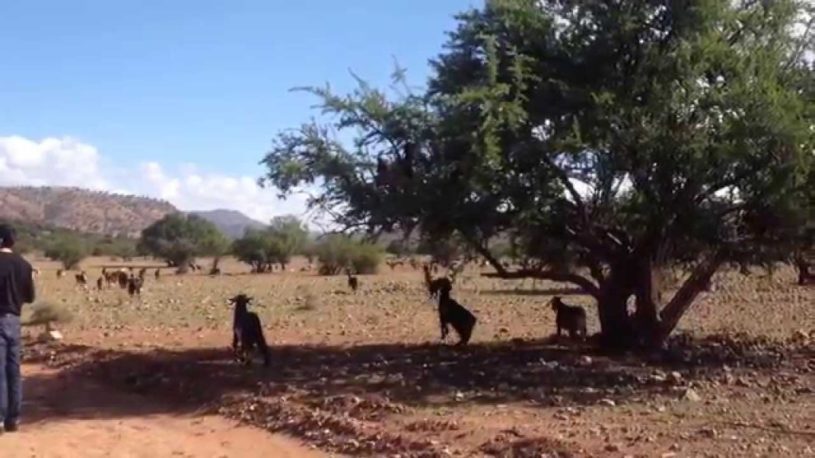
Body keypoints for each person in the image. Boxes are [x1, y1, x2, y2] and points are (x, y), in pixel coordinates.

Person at [0, 224, 35, 433]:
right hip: (14, 320)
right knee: (13, 369)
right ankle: (13, 418)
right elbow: (30, 297)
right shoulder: (24, 265)